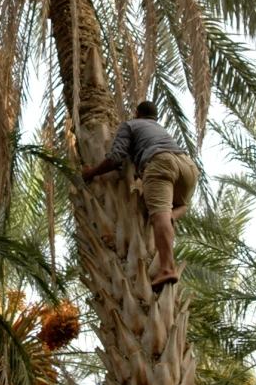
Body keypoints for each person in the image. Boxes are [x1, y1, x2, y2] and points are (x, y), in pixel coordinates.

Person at [82, 101, 199, 287]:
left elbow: (116, 157)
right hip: (188, 166)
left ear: (136, 113)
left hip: (160, 163)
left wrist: (92, 172)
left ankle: (167, 269)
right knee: (181, 205)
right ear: (155, 117)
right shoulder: (160, 130)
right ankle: (170, 218)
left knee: (158, 215)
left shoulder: (130, 125)